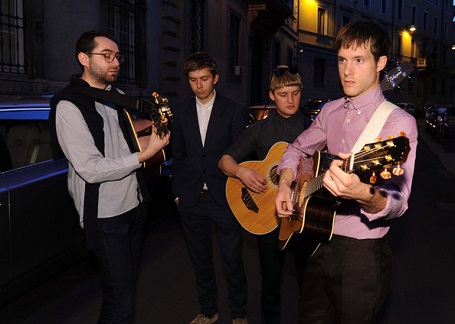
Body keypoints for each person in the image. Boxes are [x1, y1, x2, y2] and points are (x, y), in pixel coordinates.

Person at [275, 20, 418, 323]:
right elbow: (296, 149)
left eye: (359, 60)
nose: (347, 71)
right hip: (316, 240)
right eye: (342, 60)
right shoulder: (329, 111)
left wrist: (364, 194)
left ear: (380, 63)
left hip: (362, 255)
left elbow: (397, 202)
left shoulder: (398, 124)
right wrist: (287, 184)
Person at [49, 30, 170, 323]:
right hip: (106, 215)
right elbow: (90, 168)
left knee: (124, 291)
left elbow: (125, 142)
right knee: (121, 301)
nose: (115, 62)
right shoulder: (68, 105)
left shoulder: (118, 96)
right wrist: (143, 155)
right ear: (84, 59)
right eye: (106, 56)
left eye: (117, 56)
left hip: (135, 206)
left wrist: (154, 134)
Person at [218, 65, 311, 324]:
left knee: (309, 283)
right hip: (267, 217)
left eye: (295, 93)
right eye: (283, 94)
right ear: (272, 95)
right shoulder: (260, 129)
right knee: (270, 284)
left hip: (304, 214)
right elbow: (224, 160)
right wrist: (240, 172)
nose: (290, 100)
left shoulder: (313, 129)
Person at [172, 52, 249, 324]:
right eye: (193, 80)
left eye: (204, 78)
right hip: (192, 199)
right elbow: (178, 156)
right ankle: (208, 311)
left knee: (232, 261)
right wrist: (178, 194)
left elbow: (240, 155)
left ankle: (238, 313)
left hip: (225, 198)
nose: (199, 85)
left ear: (215, 78)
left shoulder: (233, 110)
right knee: (200, 262)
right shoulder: (179, 111)